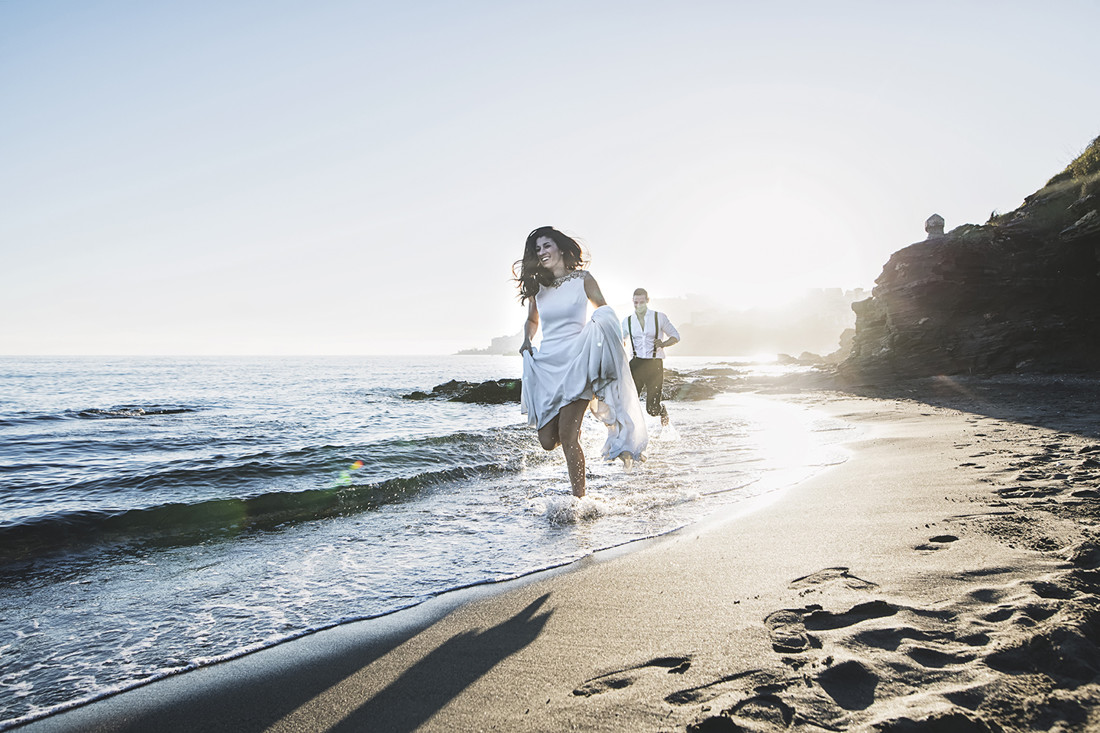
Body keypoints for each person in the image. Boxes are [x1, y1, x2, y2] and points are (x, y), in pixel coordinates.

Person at [514, 226, 647, 497]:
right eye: (537, 249)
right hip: (549, 366)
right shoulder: (538, 288)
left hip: (579, 362)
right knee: (547, 440)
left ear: (560, 248)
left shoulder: (583, 279)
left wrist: (608, 338)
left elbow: (603, 310)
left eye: (547, 246)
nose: (542, 252)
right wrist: (527, 339)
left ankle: (579, 500)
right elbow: (532, 320)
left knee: (567, 437)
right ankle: (573, 432)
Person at [622, 288, 680, 426]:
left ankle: (662, 410)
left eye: (642, 302)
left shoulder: (659, 317)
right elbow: (620, 340)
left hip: (654, 365)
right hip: (635, 364)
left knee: (652, 409)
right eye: (636, 302)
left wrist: (663, 344)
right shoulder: (627, 321)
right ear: (632, 301)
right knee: (629, 404)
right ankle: (631, 433)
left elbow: (676, 336)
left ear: (647, 301)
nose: (638, 306)